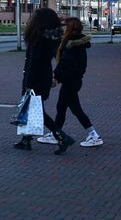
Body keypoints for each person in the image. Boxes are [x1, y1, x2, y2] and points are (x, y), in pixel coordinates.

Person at [14, 7, 71, 151]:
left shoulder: (39, 37)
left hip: (35, 78)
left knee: (37, 110)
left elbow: (34, 61)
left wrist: (28, 83)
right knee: (32, 109)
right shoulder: (51, 37)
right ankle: (26, 139)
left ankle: (62, 137)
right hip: (43, 76)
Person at [42, 17, 102, 153]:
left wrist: (56, 77)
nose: (62, 28)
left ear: (69, 28)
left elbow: (66, 64)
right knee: (62, 107)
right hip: (73, 80)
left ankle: (93, 135)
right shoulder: (74, 43)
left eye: (65, 26)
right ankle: (56, 133)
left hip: (71, 81)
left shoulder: (72, 45)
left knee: (75, 109)